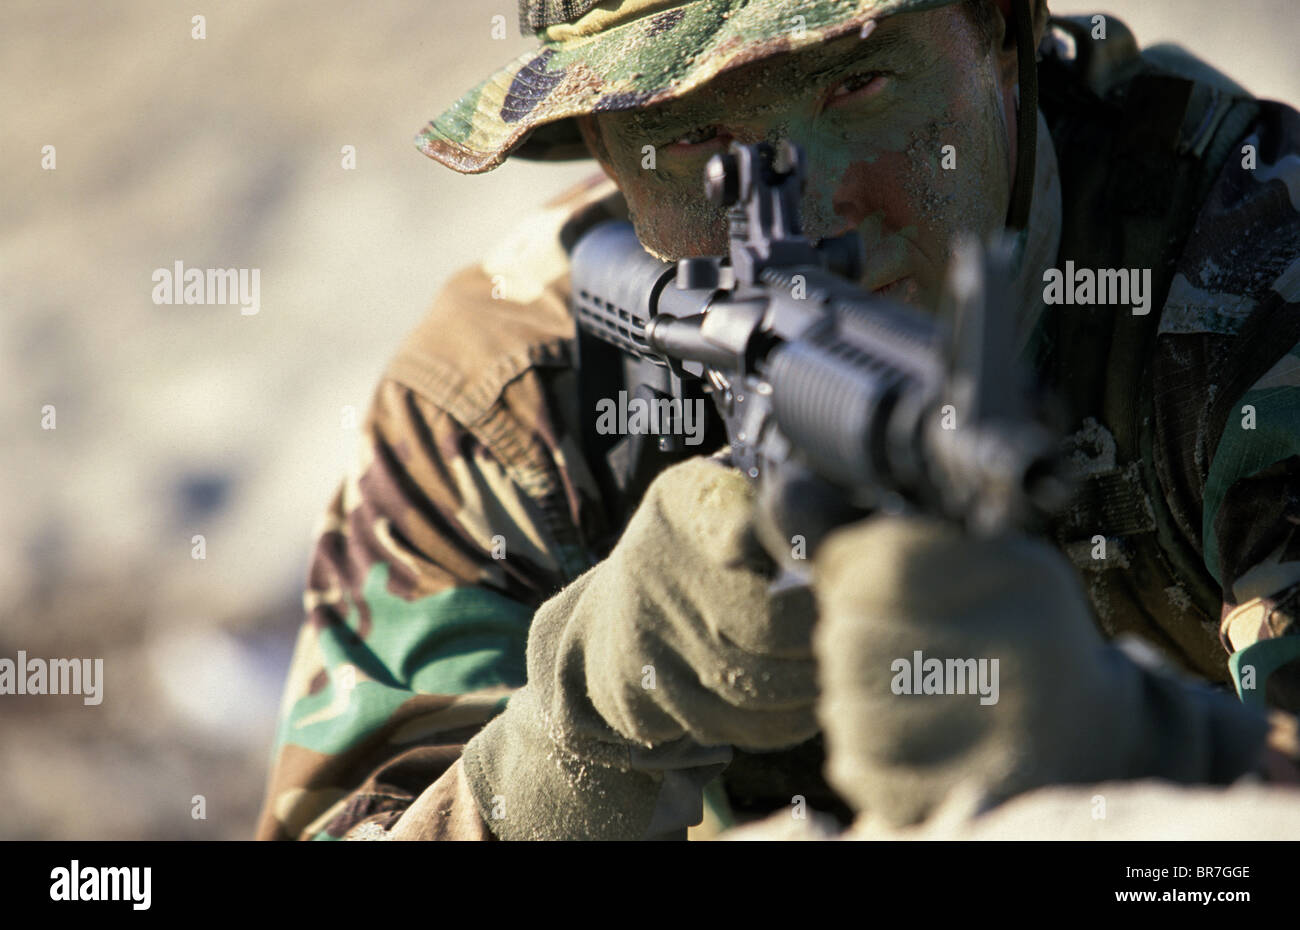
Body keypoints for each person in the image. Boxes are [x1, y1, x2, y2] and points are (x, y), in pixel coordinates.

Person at [255, 0, 1300, 841]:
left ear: (998, 36)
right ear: (608, 158)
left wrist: (1144, 754)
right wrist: (584, 736)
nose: (811, 214)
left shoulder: (1256, 267)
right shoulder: (504, 405)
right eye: (696, 137)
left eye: (856, 84)